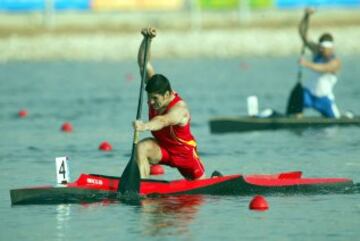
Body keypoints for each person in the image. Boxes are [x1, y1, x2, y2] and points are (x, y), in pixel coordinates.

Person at [133, 27, 205, 180]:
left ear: (167, 94)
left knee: (200, 190)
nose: (151, 102)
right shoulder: (157, 89)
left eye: (155, 99)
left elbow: (163, 120)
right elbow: (143, 64)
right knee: (141, 147)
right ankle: (142, 188)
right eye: (149, 98)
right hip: (163, 149)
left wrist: (145, 126)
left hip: (185, 157)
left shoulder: (180, 109)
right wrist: (147, 40)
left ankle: (213, 178)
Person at [297, 8, 341, 118]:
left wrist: (307, 64)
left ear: (331, 48)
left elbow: (323, 68)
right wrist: (306, 16)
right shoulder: (318, 51)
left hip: (324, 99)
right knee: (297, 104)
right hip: (309, 95)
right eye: (321, 48)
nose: (322, 51)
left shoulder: (336, 62)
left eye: (324, 49)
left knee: (336, 121)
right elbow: (303, 34)